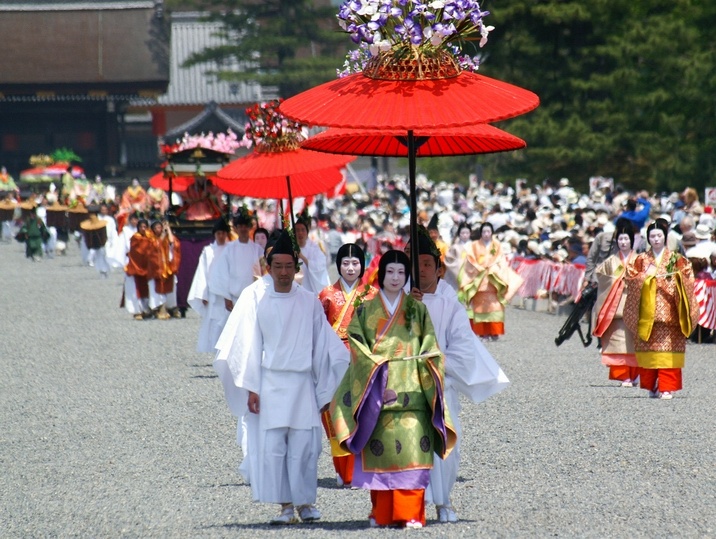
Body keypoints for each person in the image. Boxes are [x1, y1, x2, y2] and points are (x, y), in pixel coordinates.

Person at [216, 230, 349, 525]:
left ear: (296, 268)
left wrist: (324, 390)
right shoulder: (259, 301)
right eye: (279, 266)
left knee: (305, 447)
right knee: (275, 448)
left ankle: (305, 503)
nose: (285, 272)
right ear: (269, 267)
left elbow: (323, 346)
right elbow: (250, 345)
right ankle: (285, 506)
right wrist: (252, 387)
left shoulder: (309, 302)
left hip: (301, 383)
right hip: (271, 382)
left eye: (290, 266)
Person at [330, 249, 457, 529]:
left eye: (401, 272)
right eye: (390, 272)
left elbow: (430, 347)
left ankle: (411, 513)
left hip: (412, 390)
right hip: (378, 391)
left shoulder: (417, 309)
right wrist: (377, 375)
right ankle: (382, 513)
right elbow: (357, 346)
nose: (396, 277)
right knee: (381, 456)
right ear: (381, 275)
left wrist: (430, 361)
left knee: (413, 455)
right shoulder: (367, 310)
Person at [408, 233, 510, 523]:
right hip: (406, 386)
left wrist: (433, 361)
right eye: (417, 264)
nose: (422, 270)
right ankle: (413, 504)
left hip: (441, 383)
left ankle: (444, 501)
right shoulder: (400, 299)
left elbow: (463, 351)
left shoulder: (450, 304)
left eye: (428, 264)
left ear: (439, 269)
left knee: (446, 445)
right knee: (409, 445)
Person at [318, 243, 378, 487]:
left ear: (362, 265)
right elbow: (318, 330)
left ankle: (363, 468)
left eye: (355, 263)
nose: (350, 268)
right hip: (333, 360)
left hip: (362, 359)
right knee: (335, 413)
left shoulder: (373, 294)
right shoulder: (326, 295)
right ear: (338, 265)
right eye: (345, 263)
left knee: (362, 412)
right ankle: (342, 469)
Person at [624, 220, 699, 399]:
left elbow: (688, 278)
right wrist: (646, 279)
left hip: (670, 313)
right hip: (647, 315)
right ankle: (651, 386)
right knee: (650, 352)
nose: (656, 239)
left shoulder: (676, 259)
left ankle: (666, 387)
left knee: (668, 353)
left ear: (665, 237)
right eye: (652, 236)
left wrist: (673, 280)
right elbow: (630, 277)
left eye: (659, 236)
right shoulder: (641, 260)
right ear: (648, 239)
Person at [457, 222, 524, 340]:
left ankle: (494, 332)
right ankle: (482, 332)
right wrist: (479, 267)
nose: (486, 234)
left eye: (488, 231)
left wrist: (493, 268)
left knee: (495, 307)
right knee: (480, 307)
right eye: (484, 231)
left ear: (492, 232)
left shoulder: (496, 245)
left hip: (493, 279)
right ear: (481, 233)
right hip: (479, 278)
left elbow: (501, 260)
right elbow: (470, 260)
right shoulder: (475, 245)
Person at [593, 221, 639, 386]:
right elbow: (601, 277)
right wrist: (616, 280)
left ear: (631, 240)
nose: (623, 242)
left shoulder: (639, 260)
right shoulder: (611, 261)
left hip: (634, 306)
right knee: (618, 342)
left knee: (634, 342)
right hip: (616, 307)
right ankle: (623, 375)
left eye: (626, 239)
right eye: (620, 239)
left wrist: (633, 280)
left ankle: (634, 375)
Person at [187, 219, 231, 353]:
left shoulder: (231, 249)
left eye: (223, 233)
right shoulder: (208, 251)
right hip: (212, 290)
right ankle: (215, 348)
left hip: (228, 291)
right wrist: (203, 293)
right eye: (218, 233)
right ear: (214, 234)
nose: (221, 236)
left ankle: (227, 348)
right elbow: (202, 272)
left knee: (228, 319)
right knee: (214, 321)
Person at [210, 209, 262, 314]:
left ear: (249, 228)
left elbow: (263, 273)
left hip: (253, 298)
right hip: (234, 298)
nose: (243, 229)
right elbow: (222, 273)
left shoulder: (257, 249)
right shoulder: (229, 249)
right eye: (240, 226)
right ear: (236, 228)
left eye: (245, 226)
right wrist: (226, 296)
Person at [146, 220, 181, 320]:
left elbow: (172, 242)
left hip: (167, 267)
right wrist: (162, 236)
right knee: (155, 289)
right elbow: (155, 246)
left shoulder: (165, 237)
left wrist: (168, 229)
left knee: (171, 287)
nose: (158, 229)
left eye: (160, 227)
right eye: (156, 227)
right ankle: (158, 308)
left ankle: (171, 307)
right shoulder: (150, 238)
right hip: (156, 268)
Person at [123, 219, 152, 320]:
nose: (143, 229)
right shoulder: (135, 238)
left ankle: (147, 309)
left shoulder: (150, 237)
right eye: (141, 227)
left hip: (147, 266)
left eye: (145, 227)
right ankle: (138, 310)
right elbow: (137, 252)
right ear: (138, 228)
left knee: (146, 289)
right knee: (137, 289)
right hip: (137, 266)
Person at [294, 212, 330, 294]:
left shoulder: (314, 248)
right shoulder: (291, 248)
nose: (300, 233)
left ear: (307, 232)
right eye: (297, 230)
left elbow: (320, 265)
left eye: (302, 230)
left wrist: (303, 257)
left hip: (310, 285)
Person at [79, 205, 111, 278]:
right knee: (97, 255)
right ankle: (102, 270)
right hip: (93, 243)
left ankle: (104, 270)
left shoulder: (107, 220)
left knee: (103, 255)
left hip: (103, 242)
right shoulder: (87, 223)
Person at [443, 222, 472, 290]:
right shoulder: (454, 247)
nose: (465, 235)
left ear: (470, 233)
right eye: (462, 233)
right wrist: (460, 268)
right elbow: (449, 262)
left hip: (471, 274)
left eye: (467, 233)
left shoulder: (474, 246)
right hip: (455, 276)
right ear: (459, 233)